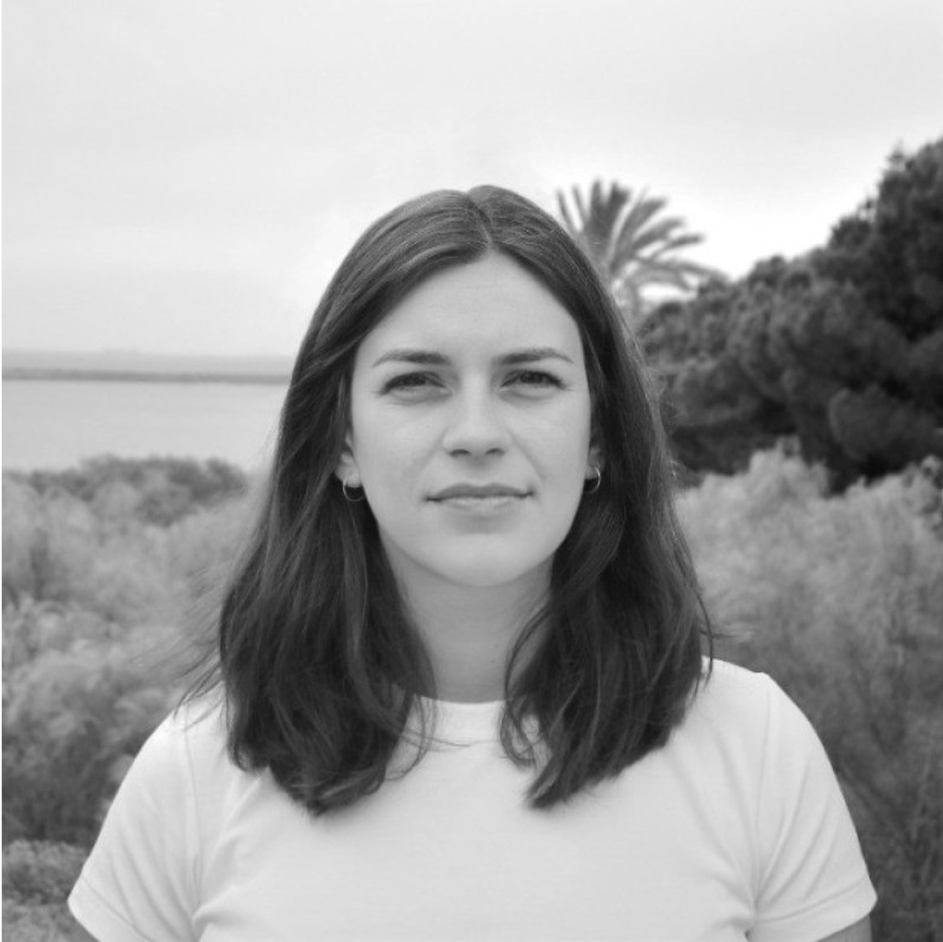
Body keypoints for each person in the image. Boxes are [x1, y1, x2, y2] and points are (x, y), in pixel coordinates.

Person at [69, 186, 876, 941]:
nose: (477, 432)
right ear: (342, 442)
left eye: (529, 378)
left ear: (596, 434)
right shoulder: (198, 767)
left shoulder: (753, 747)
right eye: (417, 382)